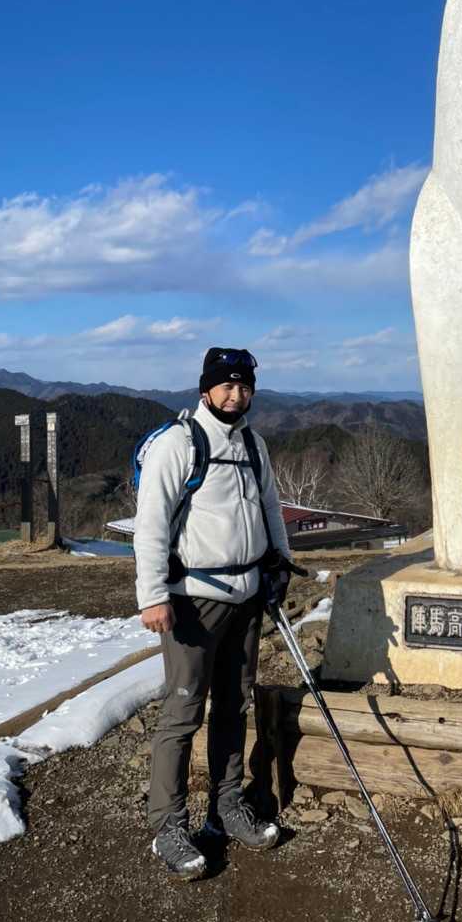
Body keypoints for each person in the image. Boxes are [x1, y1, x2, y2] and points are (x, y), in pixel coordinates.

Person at [134, 346, 294, 880]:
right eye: (226, 385)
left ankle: (226, 806)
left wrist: (280, 560)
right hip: (192, 600)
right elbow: (151, 524)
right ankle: (168, 825)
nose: (236, 394)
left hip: (246, 597)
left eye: (244, 386)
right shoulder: (179, 444)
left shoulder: (253, 444)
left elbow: (269, 506)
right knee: (183, 712)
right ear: (206, 389)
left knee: (234, 705)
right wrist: (152, 595)